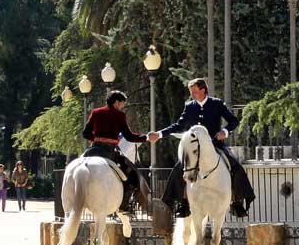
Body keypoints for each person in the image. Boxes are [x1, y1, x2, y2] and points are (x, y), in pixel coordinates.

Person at [148, 78, 255, 218]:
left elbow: (234, 121)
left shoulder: (217, 104)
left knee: (235, 165)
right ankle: (182, 202)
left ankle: (236, 201)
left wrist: (225, 131)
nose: (192, 94)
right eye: (191, 92)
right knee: (178, 168)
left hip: (215, 145)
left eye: (195, 91)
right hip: (195, 148)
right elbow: (178, 125)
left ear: (203, 90)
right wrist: (159, 134)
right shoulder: (190, 106)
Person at [82, 90, 150, 214]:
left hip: (93, 149)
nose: (122, 106)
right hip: (109, 152)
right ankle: (124, 207)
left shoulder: (95, 112)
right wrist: (145, 138)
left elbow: (85, 133)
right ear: (117, 102)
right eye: (122, 103)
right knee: (132, 176)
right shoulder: (119, 115)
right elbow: (129, 136)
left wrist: (97, 138)